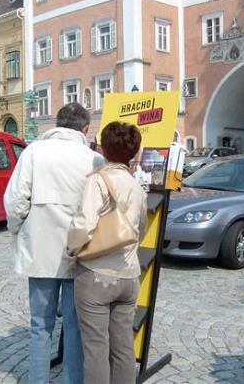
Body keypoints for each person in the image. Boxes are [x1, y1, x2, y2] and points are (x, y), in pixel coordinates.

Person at [4, 102, 103, 384]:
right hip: (80, 251)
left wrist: (18, 231)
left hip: (40, 249)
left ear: (57, 125)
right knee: (74, 326)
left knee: (39, 324)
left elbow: (15, 201)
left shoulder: (34, 151)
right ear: (85, 129)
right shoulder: (92, 158)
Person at [67, 121, 148, 384]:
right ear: (134, 152)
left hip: (96, 275)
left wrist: (72, 250)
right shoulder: (137, 186)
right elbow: (141, 228)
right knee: (124, 348)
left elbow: (83, 225)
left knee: (96, 349)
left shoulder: (98, 181)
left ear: (103, 148)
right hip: (128, 275)